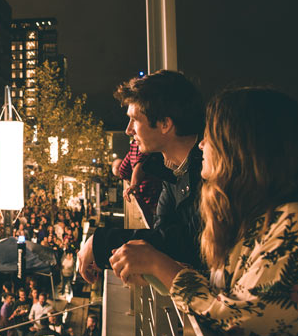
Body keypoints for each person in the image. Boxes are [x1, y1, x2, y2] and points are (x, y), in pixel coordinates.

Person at [109, 87, 298, 336]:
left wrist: (161, 266)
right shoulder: (261, 218)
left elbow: (240, 322)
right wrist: (156, 272)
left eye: (210, 137)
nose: (202, 145)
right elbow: (230, 293)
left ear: (243, 147)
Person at [78, 70, 205, 282]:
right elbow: (166, 238)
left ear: (165, 124)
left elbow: (187, 244)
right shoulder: (168, 170)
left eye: (134, 120)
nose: (128, 130)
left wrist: (99, 242)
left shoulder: (211, 170)